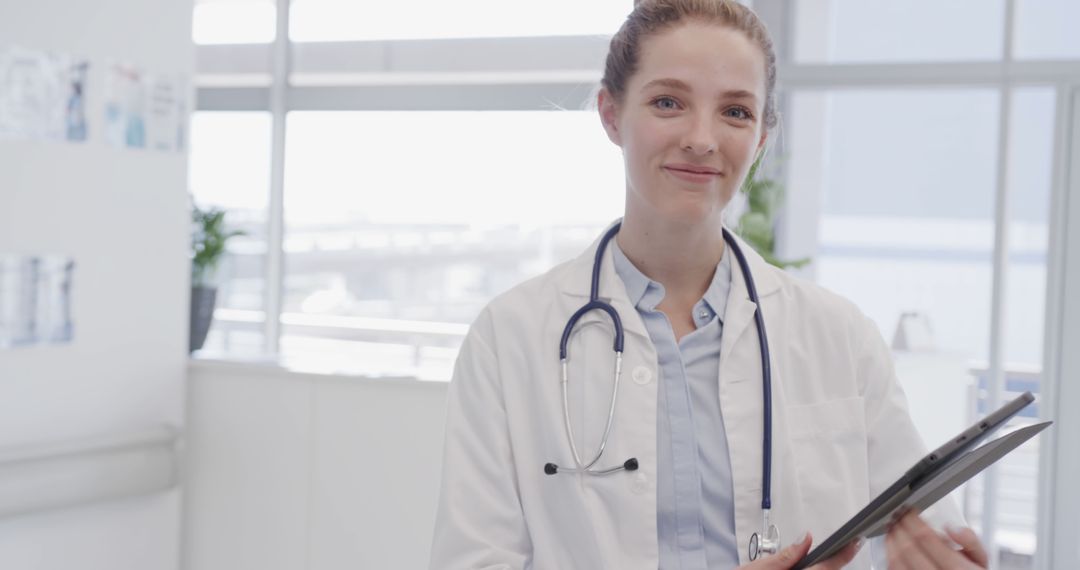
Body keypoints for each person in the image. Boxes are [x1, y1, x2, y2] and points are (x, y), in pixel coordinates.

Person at [430, 1, 988, 568]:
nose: (702, 139)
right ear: (610, 114)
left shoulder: (838, 334)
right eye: (668, 102)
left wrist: (941, 558)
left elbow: (923, 524)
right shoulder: (511, 337)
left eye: (736, 112)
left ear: (763, 135)